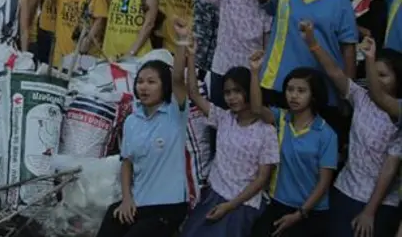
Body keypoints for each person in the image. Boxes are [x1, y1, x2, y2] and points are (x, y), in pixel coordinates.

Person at [248, 0, 357, 128]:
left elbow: (348, 50)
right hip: (280, 87)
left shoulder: (339, 0)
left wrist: (349, 94)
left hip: (326, 92)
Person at [299, 26, 402, 237]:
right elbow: (334, 72)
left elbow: (390, 169)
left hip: (380, 203)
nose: (377, 79)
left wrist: (369, 212)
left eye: (384, 75)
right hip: (345, 189)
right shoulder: (361, 98)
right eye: (374, 72)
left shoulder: (398, 112)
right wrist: (313, 43)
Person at [94, 19, 189, 237]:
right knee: (111, 219)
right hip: (139, 202)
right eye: (140, 81)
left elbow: (178, 79)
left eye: (151, 82)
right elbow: (126, 163)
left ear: (164, 86)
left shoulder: (175, 114)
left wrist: (182, 40)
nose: (143, 87)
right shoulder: (132, 120)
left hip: (168, 206)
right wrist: (127, 199)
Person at [178, 45, 278, 237]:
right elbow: (194, 94)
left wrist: (230, 206)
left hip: (242, 203)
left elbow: (262, 179)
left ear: (249, 91)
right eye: (227, 92)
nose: (231, 97)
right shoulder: (224, 118)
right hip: (214, 193)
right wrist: (191, 57)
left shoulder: (267, 131)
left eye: (237, 91)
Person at [176, 0, 271, 105]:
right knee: (218, 125)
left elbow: (268, 45)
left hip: (251, 75)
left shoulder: (266, 3)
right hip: (221, 72)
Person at [249, 61, 337, 237]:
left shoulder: (326, 134)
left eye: (301, 91)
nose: (294, 96)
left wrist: (300, 214)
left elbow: (324, 183)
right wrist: (254, 72)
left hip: (310, 211)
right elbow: (257, 108)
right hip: (278, 202)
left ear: (313, 95)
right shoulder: (281, 118)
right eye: (290, 89)